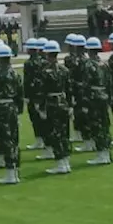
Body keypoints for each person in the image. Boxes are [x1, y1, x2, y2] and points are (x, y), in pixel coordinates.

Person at [0, 42, 23, 184]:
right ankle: (15, 170)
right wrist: (19, 110)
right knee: (14, 139)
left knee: (5, 140)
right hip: (12, 108)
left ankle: (10, 174)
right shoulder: (15, 73)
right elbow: (20, 94)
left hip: (1, 109)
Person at [41, 41, 72, 175]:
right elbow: (70, 89)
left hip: (52, 104)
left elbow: (42, 91)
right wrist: (70, 105)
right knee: (64, 133)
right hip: (63, 103)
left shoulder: (45, 71)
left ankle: (60, 163)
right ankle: (66, 162)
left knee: (55, 134)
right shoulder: (64, 70)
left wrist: (41, 108)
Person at [80, 37, 113, 166]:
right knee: (104, 125)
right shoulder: (104, 64)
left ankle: (101, 154)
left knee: (96, 126)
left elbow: (86, 85)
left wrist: (84, 103)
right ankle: (106, 153)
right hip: (104, 96)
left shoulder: (88, 65)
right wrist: (109, 98)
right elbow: (109, 84)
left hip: (93, 98)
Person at [22, 38, 48, 152]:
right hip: (43, 94)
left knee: (35, 118)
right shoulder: (44, 61)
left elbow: (27, 81)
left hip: (33, 94)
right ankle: (44, 141)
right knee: (44, 118)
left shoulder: (29, 63)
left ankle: (40, 141)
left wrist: (26, 95)